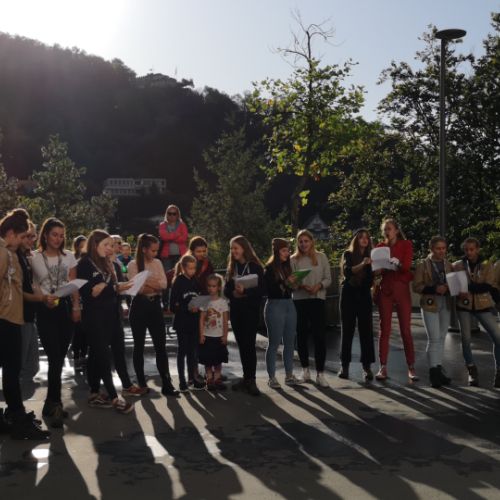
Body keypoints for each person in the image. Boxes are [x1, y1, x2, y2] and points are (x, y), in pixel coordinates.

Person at [0, 208, 50, 440]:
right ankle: (18, 419)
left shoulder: (9, 252)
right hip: (6, 319)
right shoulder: (3, 253)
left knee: (11, 371)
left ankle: (13, 416)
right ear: (10, 233)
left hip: (12, 318)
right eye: (21, 237)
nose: (24, 241)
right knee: (11, 371)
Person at [77, 230, 134, 413]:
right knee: (102, 356)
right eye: (106, 245)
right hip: (95, 317)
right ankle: (114, 396)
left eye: (111, 245)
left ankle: (94, 392)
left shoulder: (108, 263)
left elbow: (108, 289)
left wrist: (112, 288)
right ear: (95, 245)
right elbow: (91, 293)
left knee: (98, 354)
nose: (110, 248)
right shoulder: (84, 263)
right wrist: (113, 288)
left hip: (112, 315)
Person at [31, 217, 80, 428]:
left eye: (61, 235)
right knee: (53, 355)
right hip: (44, 308)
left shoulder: (69, 256)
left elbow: (74, 283)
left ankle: (50, 403)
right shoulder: (33, 257)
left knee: (59, 356)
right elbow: (32, 284)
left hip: (65, 308)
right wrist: (43, 298)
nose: (58, 239)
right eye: (54, 234)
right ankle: (56, 403)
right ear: (45, 235)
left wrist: (76, 307)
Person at [127, 233, 179, 397]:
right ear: (144, 249)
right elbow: (137, 288)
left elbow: (163, 284)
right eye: (153, 250)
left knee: (160, 346)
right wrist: (152, 284)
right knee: (139, 346)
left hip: (155, 306)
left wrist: (146, 281)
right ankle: (142, 383)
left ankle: (167, 383)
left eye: (157, 250)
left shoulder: (157, 263)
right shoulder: (133, 265)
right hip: (139, 307)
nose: (156, 253)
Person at [453, 237, 500, 387]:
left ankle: (499, 372)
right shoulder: (458, 265)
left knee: (498, 337)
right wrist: (459, 291)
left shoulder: (487, 264)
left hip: (483, 305)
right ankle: (471, 370)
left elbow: (488, 286)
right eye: (466, 249)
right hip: (464, 306)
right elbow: (453, 286)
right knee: (466, 339)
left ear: (477, 249)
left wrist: (467, 287)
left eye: (472, 249)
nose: (469, 252)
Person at [374, 218, 417, 382]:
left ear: (396, 231)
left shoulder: (406, 244)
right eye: (385, 229)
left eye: (389, 229)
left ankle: (411, 367)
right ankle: (383, 366)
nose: (386, 232)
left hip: (401, 289)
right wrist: (378, 268)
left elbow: (406, 267)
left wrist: (398, 264)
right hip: (385, 289)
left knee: (405, 329)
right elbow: (376, 272)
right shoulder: (379, 247)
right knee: (384, 329)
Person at [291, 229, 332, 388]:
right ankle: (305, 371)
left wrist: (318, 286)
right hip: (300, 300)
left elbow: (328, 278)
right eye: (300, 241)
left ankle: (320, 374)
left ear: (312, 241)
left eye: (306, 241)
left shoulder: (321, 257)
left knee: (319, 337)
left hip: (317, 299)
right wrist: (300, 285)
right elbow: (291, 283)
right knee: (301, 336)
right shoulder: (293, 260)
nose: (303, 244)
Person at [224, 235, 264, 396]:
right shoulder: (232, 267)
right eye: (231, 248)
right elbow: (226, 289)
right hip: (236, 312)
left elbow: (262, 290)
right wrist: (233, 293)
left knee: (249, 345)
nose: (233, 251)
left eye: (236, 248)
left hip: (250, 312)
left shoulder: (255, 267)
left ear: (244, 248)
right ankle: (246, 378)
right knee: (242, 345)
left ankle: (251, 380)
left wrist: (245, 291)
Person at [413, 236, 453, 388]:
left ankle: (438, 369)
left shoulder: (448, 264)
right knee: (434, 338)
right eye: (438, 248)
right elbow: (416, 286)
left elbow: (453, 282)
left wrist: (448, 287)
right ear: (431, 249)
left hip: (445, 302)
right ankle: (433, 373)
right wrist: (434, 288)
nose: (441, 251)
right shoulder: (423, 265)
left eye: (443, 248)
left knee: (442, 337)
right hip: (430, 303)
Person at [263, 238, 301, 389]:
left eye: (288, 250)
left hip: (289, 304)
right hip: (275, 305)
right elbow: (270, 290)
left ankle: (289, 375)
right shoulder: (269, 268)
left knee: (290, 342)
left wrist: (294, 283)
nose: (288, 253)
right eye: (284, 250)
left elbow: (290, 288)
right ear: (277, 251)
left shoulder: (287, 266)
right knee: (274, 343)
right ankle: (272, 377)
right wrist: (285, 283)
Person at [338, 229, 376, 382]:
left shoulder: (372, 256)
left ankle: (367, 367)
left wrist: (376, 268)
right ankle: (344, 365)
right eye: (361, 238)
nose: (364, 240)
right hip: (349, 294)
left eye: (367, 237)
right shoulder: (348, 254)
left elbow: (372, 278)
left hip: (364, 295)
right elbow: (347, 272)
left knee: (366, 332)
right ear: (356, 240)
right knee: (347, 331)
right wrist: (362, 264)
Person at [170, 254, 205, 392]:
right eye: (190, 268)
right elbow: (173, 305)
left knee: (193, 352)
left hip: (194, 322)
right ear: (183, 268)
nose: (192, 271)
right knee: (182, 351)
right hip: (182, 322)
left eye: (194, 268)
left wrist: (200, 305)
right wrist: (187, 308)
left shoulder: (196, 281)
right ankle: (182, 381)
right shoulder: (178, 281)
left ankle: (193, 379)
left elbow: (201, 297)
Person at [16, 221, 41, 383]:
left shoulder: (26, 257)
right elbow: (18, 291)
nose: (31, 240)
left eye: (33, 236)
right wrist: (40, 298)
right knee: (21, 365)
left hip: (29, 315)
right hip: (19, 316)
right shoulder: (13, 256)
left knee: (31, 366)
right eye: (28, 236)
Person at [199, 274, 229, 391]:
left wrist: (225, 336)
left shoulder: (223, 302)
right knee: (208, 361)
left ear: (219, 287)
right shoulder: (204, 302)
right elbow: (201, 320)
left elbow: (225, 321)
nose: (211, 288)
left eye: (214, 286)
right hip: (207, 336)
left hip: (219, 336)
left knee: (218, 360)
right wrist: (201, 335)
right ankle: (209, 379)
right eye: (209, 286)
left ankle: (217, 379)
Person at [159, 205, 188, 310]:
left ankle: (180, 301)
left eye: (174, 213)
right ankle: (165, 303)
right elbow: (163, 236)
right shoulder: (162, 225)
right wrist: (177, 235)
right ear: (166, 214)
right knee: (166, 279)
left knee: (181, 278)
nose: (172, 216)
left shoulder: (182, 225)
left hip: (180, 256)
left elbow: (184, 238)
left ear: (177, 214)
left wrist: (170, 236)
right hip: (166, 256)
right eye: (169, 213)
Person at [71, 235, 88, 372]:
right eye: (81, 246)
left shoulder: (89, 261)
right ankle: (76, 356)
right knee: (78, 331)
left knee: (86, 331)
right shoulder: (73, 261)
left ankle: (83, 355)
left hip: (87, 300)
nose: (84, 248)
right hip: (77, 300)